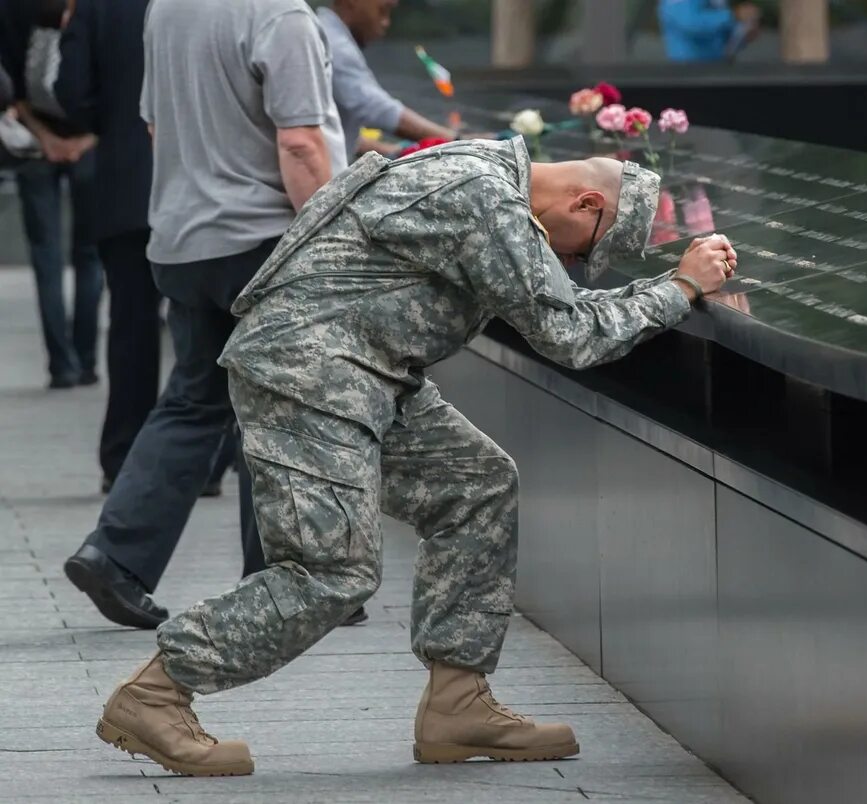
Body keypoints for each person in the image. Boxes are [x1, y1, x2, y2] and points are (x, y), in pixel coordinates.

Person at [93, 138, 737, 776]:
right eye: (579, 250)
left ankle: (458, 703)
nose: (568, 261)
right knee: (330, 572)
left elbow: (557, 309)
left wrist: (670, 286)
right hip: (309, 374)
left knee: (477, 486)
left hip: (367, 370)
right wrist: (680, 288)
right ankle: (157, 692)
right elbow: (569, 336)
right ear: (586, 203)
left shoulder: (482, 168)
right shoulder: (487, 202)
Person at [62, 0, 355, 631]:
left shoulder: (167, 9)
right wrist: (328, 246)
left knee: (195, 401)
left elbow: (154, 128)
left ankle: (114, 555)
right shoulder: (281, 16)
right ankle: (286, 580)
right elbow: (301, 142)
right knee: (282, 409)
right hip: (261, 240)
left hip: (182, 235)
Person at [55, 0, 239, 499]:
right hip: (202, 186)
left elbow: (69, 90)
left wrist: (112, 123)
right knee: (210, 326)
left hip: (124, 185)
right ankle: (207, 459)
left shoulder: (96, 7)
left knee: (131, 328)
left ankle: (124, 458)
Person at [1, 0, 103, 390]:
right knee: (90, 255)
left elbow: (8, 87)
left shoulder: (12, 8)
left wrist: (44, 138)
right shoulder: (97, 8)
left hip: (32, 143)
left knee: (46, 257)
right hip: (88, 142)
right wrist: (83, 141)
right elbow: (116, 82)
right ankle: (88, 360)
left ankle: (61, 365)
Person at [317, 0, 468, 163]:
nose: (386, 22)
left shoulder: (326, 33)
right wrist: (460, 142)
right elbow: (377, 108)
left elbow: (334, 133)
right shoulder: (335, 45)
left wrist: (393, 150)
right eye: (383, 10)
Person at [657, 0, 761, 62]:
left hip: (719, 69)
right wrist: (733, 15)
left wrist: (743, 33)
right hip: (688, 72)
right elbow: (690, 24)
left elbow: (724, 35)